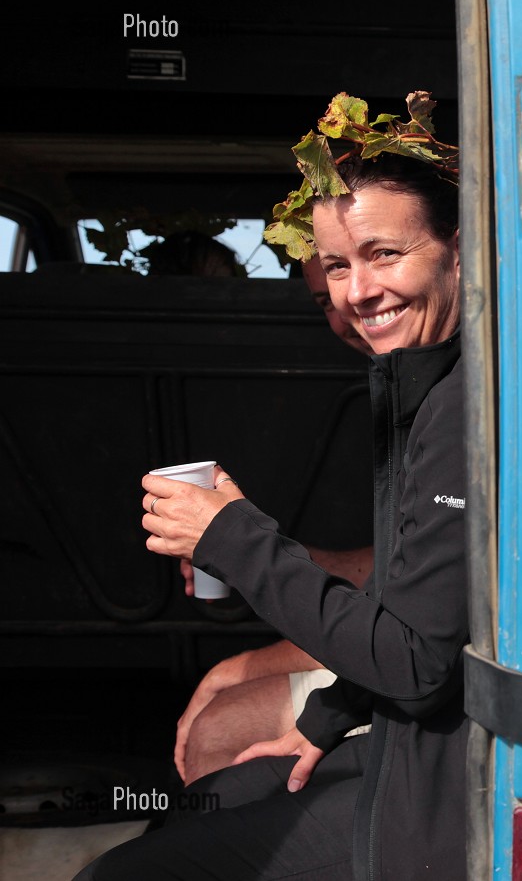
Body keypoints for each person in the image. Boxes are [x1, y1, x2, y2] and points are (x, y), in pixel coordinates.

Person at [77, 151, 469, 879]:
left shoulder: (465, 404)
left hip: (444, 789)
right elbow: (414, 601)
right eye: (338, 267)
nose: (359, 291)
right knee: (213, 799)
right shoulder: (421, 388)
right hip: (403, 741)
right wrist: (322, 721)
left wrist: (232, 537)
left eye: (383, 254)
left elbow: (416, 661)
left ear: (459, 249)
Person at [176, 259, 374, 786]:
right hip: (398, 653)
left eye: (380, 258)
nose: (350, 307)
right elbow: (389, 572)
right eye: (325, 300)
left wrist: (234, 668)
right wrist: (254, 555)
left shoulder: (449, 401)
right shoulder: (394, 388)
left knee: (219, 729)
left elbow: (402, 619)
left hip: (439, 676)